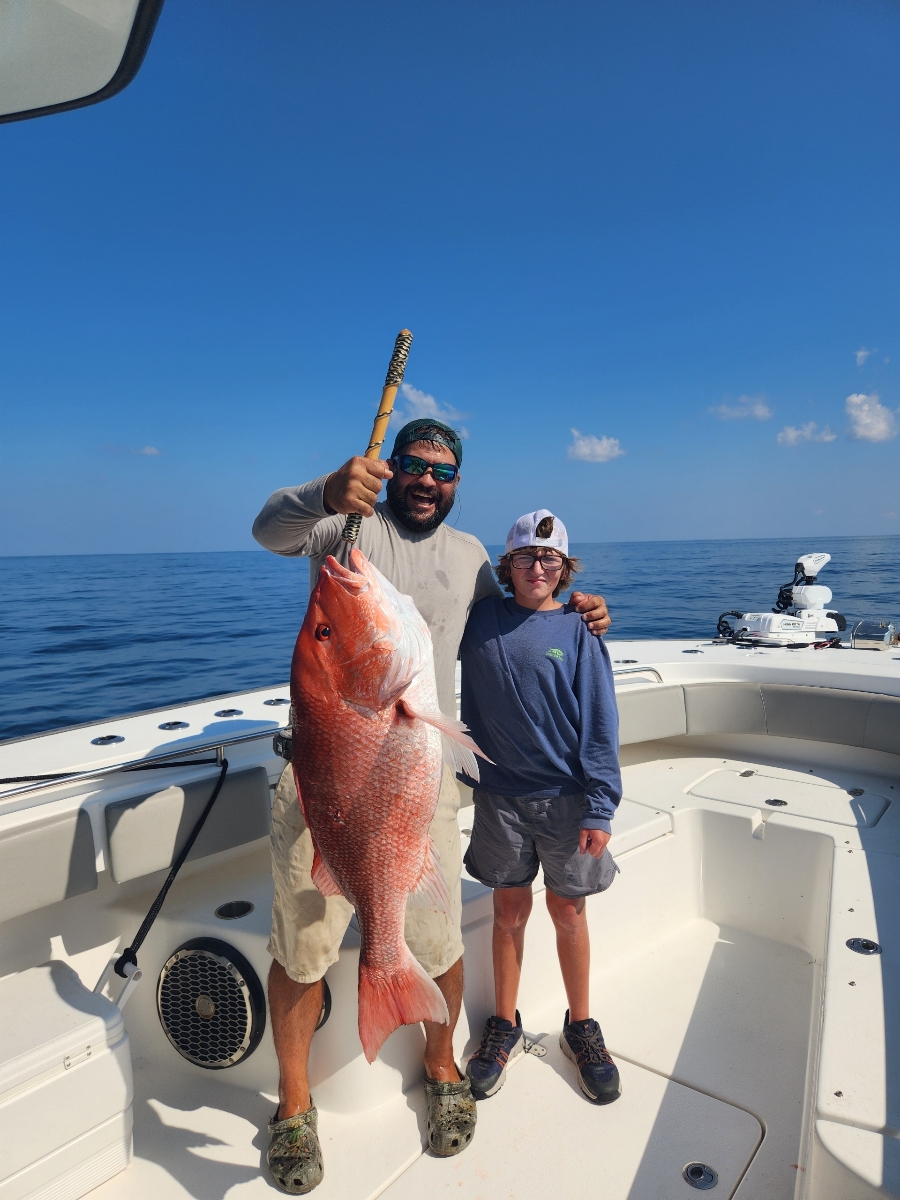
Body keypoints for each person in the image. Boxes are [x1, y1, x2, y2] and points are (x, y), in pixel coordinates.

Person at [252, 422, 612, 1194]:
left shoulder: (474, 556)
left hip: (420, 780)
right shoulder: (345, 528)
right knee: (302, 951)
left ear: (457, 483)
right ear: (392, 469)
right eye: (413, 466)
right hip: (325, 779)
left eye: (442, 472)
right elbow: (269, 530)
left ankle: (441, 1064)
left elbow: (520, 609)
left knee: (439, 939)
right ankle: (294, 1105)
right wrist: (326, 491)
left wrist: (580, 610)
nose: (426, 480)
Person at [459, 509, 623, 1107]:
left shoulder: (581, 629)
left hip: (567, 800)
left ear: (564, 568)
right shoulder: (478, 619)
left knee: (569, 913)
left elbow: (600, 720)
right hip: (498, 799)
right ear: (507, 565)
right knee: (508, 912)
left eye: (549, 557)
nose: (537, 567)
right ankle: (504, 1024)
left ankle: (581, 1026)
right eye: (526, 556)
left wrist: (600, 807)